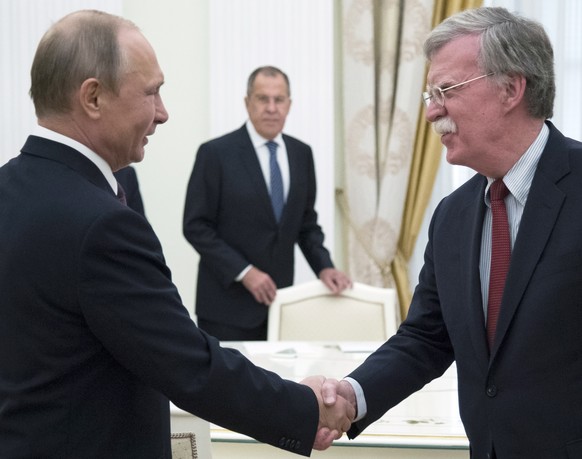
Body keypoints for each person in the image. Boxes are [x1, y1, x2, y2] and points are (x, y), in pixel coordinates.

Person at [0, 10, 354, 458]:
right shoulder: (104, 224)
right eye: (152, 92)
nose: (163, 114)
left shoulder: (8, 190)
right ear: (93, 97)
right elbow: (188, 366)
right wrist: (304, 407)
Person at [321, 6, 582, 459]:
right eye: (429, 95)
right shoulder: (452, 216)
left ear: (511, 88)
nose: (431, 112)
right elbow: (426, 337)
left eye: (446, 90)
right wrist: (351, 395)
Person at [183, 65, 352, 341]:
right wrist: (245, 272)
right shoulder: (215, 154)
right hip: (226, 309)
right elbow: (196, 226)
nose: (271, 108)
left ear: (289, 104)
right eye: (263, 99)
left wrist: (325, 266)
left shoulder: (301, 154)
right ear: (247, 103)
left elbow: (306, 224)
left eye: (279, 99)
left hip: (281, 306)